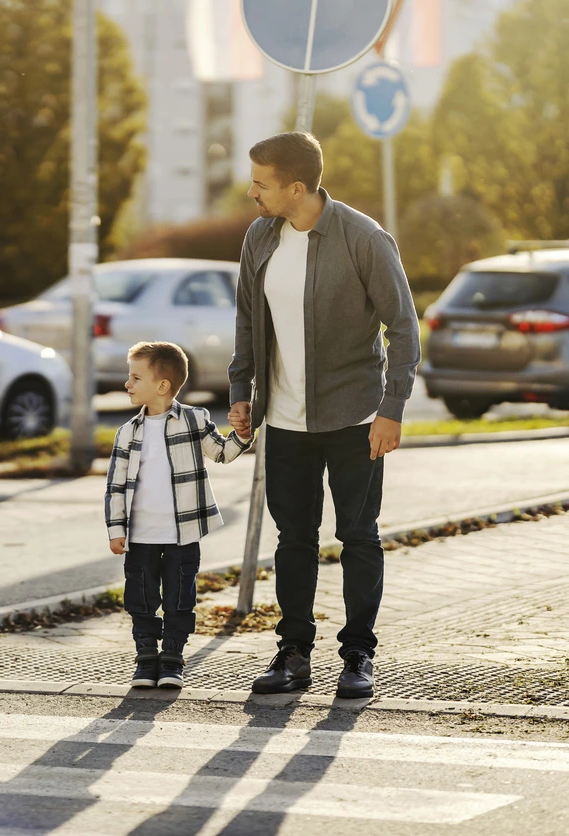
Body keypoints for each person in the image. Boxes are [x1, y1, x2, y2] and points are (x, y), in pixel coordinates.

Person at [227, 132, 421, 699]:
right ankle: (293, 654)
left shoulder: (363, 238)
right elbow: (247, 321)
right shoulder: (259, 238)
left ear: (295, 187)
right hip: (285, 419)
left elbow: (404, 328)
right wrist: (243, 393)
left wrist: (393, 409)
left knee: (358, 535)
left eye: (260, 184)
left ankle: (359, 655)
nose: (251, 193)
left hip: (355, 415)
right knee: (294, 538)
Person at [105, 341, 252, 689]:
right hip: (140, 535)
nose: (128, 384)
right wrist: (115, 529)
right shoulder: (127, 432)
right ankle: (145, 659)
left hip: (182, 535)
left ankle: (172, 657)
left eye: (135, 377)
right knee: (140, 599)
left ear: (162, 386)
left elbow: (221, 453)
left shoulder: (193, 420)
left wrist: (243, 434)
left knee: (179, 598)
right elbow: (115, 486)